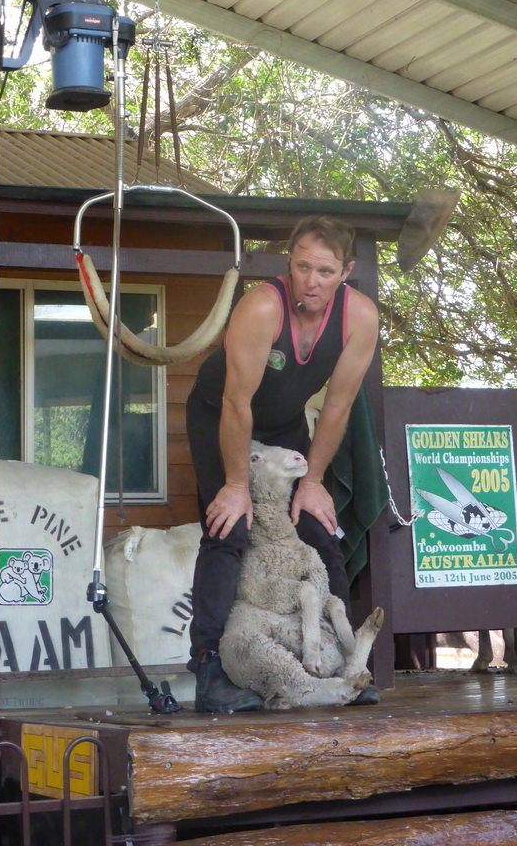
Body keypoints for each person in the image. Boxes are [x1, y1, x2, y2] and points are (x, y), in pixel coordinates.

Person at [185, 215, 380, 712]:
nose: (311, 282)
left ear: (346, 271)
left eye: (326, 271)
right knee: (230, 529)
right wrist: (234, 483)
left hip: (285, 422)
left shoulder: (360, 318)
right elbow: (236, 403)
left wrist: (313, 480)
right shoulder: (262, 306)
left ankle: (343, 668)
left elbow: (337, 407)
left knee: (317, 526)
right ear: (288, 262)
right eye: (302, 267)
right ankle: (209, 669)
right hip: (221, 414)